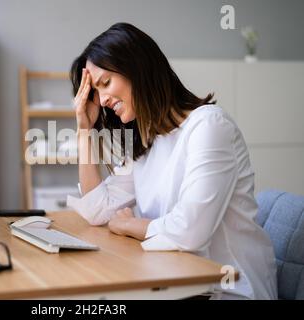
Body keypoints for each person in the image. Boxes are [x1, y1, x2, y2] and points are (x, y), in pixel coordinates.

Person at [66, 22, 277, 300]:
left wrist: (132, 226)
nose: (102, 99)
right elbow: (97, 210)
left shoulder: (209, 125)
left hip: (230, 290)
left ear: (138, 68)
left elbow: (190, 232)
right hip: (178, 284)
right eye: (96, 92)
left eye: (105, 83)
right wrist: (84, 130)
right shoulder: (148, 141)